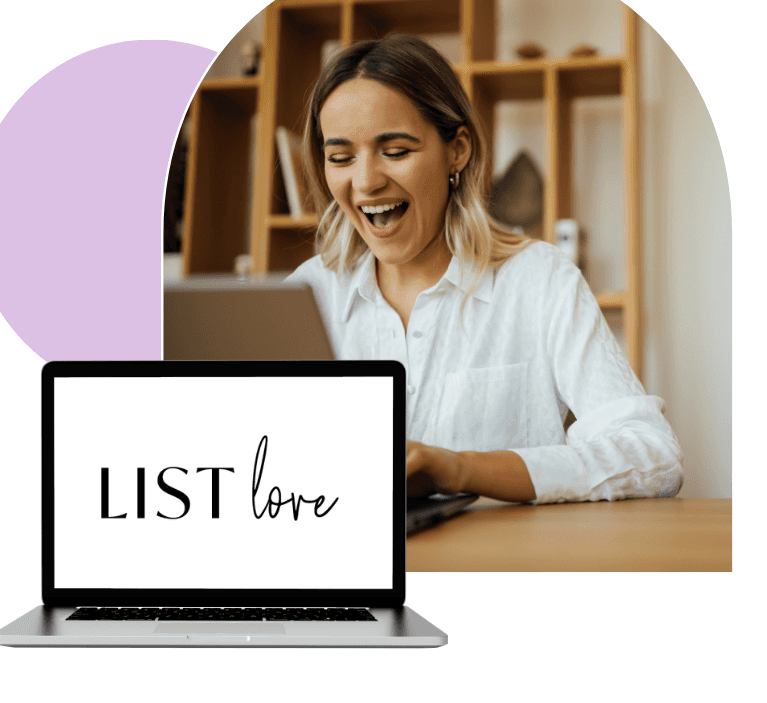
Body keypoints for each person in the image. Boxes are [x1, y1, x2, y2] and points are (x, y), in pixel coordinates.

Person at [284, 33, 683, 504]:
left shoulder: (539, 280)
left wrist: (459, 467)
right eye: (341, 158)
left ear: (458, 150)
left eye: (396, 152)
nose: (366, 181)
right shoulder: (304, 294)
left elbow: (653, 456)